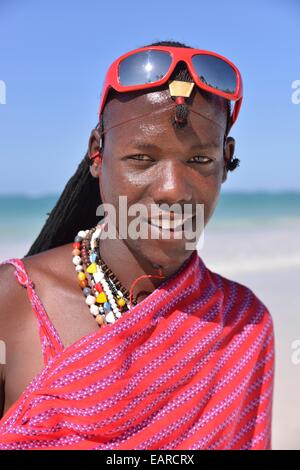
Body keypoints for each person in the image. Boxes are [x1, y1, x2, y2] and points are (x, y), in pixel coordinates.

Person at [0, 40, 274, 450]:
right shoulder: (12, 302)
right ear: (98, 153)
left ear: (226, 158)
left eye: (199, 161)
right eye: (142, 159)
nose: (171, 191)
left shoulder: (244, 325)